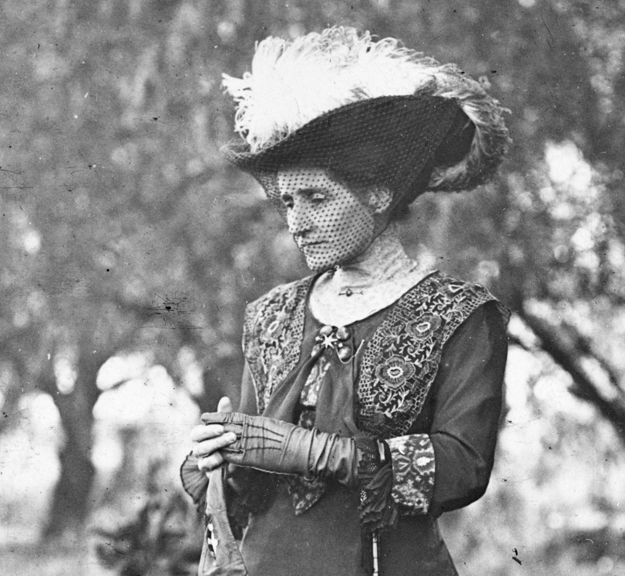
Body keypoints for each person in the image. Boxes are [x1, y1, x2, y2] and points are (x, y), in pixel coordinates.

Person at [180, 26, 510, 576]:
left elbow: (466, 466)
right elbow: (252, 487)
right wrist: (214, 461)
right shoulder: (271, 314)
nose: (296, 222)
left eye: (315, 197)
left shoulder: (460, 315)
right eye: (287, 201)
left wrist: (318, 452)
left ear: (378, 193)